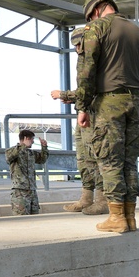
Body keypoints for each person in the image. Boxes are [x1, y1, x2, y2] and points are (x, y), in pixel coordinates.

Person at [75, 0, 139, 233]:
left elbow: (86, 71)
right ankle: (129, 217)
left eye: (89, 16)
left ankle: (116, 217)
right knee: (130, 162)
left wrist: (83, 106)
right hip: (137, 101)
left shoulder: (97, 28)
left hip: (109, 101)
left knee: (109, 160)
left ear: (96, 10)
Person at [51, 26, 108, 216]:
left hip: (94, 115)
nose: (77, 49)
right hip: (84, 113)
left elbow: (92, 88)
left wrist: (64, 94)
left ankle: (102, 200)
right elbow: (85, 91)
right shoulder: (85, 62)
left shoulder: (97, 62)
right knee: (83, 159)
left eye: (79, 44)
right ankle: (86, 198)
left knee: (94, 157)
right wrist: (74, 99)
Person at [4, 130, 49, 215]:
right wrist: (23, 145)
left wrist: (44, 147)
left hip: (32, 191)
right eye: (32, 139)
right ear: (25, 138)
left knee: (35, 216)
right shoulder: (12, 151)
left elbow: (42, 159)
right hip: (20, 192)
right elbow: (8, 158)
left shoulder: (30, 153)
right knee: (21, 218)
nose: (33, 141)